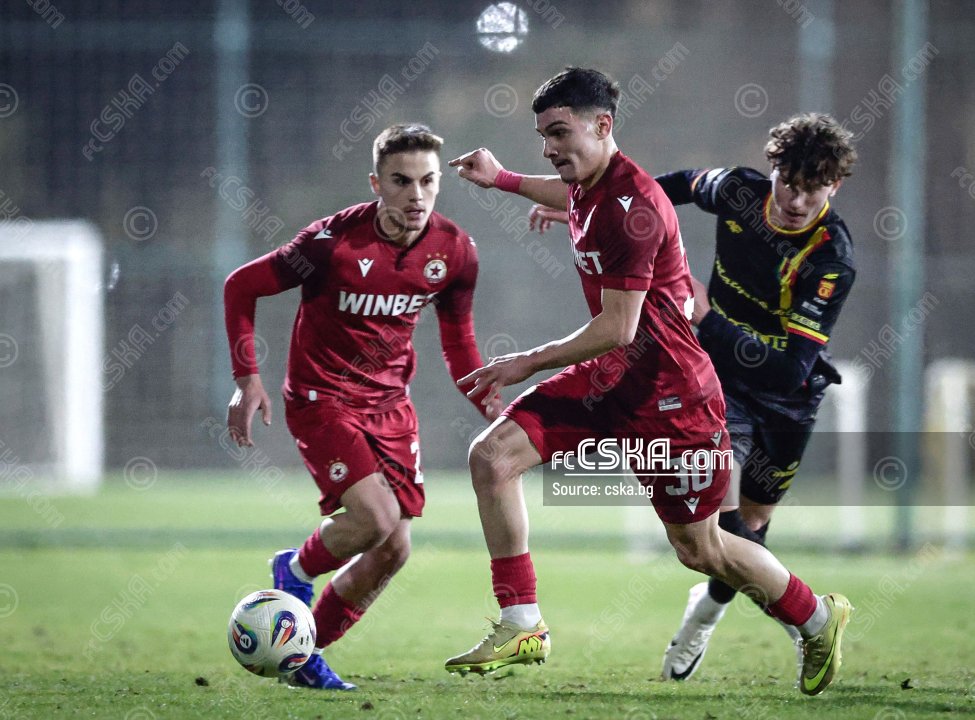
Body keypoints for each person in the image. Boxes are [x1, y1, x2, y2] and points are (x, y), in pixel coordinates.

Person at [445, 68, 850, 696]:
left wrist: (525, 361)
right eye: (543, 136)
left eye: (559, 133)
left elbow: (618, 327)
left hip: (672, 400)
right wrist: (501, 179)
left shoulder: (632, 207)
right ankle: (521, 622)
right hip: (608, 382)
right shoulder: (592, 185)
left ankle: (817, 618)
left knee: (704, 549)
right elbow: (570, 196)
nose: (548, 149)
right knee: (492, 457)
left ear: (602, 125)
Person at [224, 123, 501, 690]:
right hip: (322, 398)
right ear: (376, 183)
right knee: (374, 519)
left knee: (393, 550)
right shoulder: (329, 245)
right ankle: (293, 570)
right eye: (401, 181)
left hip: (390, 405)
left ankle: (302, 654)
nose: (416, 195)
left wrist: (487, 399)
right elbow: (240, 286)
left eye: (428, 181)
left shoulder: (455, 251)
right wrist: (246, 380)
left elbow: (458, 341)